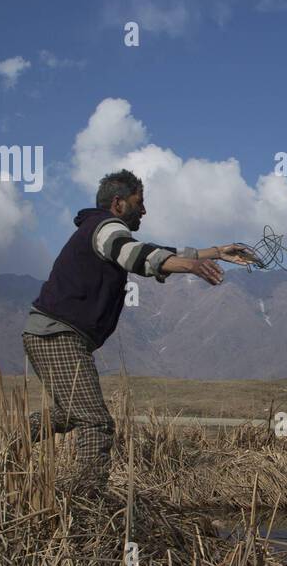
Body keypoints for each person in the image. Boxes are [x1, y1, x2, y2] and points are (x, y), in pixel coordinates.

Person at [23, 169, 256, 497]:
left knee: (71, 412)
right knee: (95, 423)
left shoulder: (101, 229)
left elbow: (154, 250)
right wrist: (189, 266)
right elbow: (136, 255)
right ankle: (84, 504)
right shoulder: (106, 227)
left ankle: (8, 444)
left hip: (51, 332)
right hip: (56, 333)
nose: (144, 210)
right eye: (138, 202)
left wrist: (216, 251)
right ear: (118, 203)